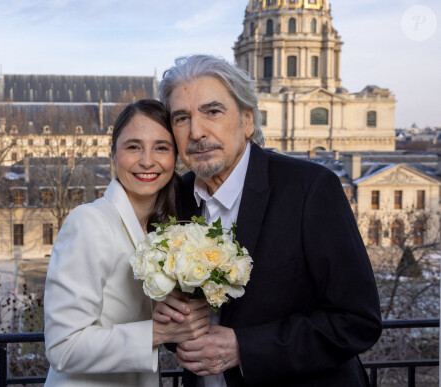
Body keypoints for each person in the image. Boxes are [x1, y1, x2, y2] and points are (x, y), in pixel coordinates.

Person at [154, 55, 383, 386]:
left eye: (212, 111)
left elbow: (357, 321)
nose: (196, 131)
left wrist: (243, 349)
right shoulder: (176, 197)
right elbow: (183, 322)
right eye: (181, 118)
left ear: (247, 120)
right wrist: (171, 322)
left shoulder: (310, 189)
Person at [43, 99, 210, 386]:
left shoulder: (169, 230)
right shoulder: (89, 222)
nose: (147, 160)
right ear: (113, 154)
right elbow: (63, 347)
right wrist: (159, 333)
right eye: (133, 147)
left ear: (176, 157)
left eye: (161, 147)